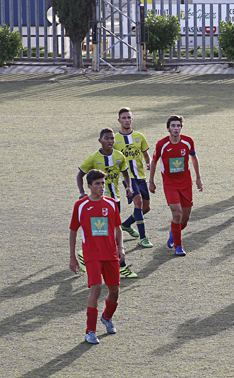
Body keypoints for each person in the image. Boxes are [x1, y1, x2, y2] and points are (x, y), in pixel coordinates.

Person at [69, 169, 125, 345]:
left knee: (114, 291)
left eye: (103, 183)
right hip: (92, 255)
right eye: (98, 184)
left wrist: (121, 248)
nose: (102, 187)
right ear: (89, 186)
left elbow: (117, 228)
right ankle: (90, 332)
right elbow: (73, 231)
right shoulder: (81, 206)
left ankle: (106, 318)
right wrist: (72, 257)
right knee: (97, 288)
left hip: (110, 254)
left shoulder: (111, 203)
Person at [77, 128, 137, 279]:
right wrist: (82, 192)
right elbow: (80, 174)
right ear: (100, 140)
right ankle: (122, 267)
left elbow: (126, 174)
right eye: (107, 138)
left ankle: (84, 254)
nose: (110, 141)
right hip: (98, 202)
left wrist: (128, 187)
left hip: (114, 201)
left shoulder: (119, 156)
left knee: (111, 232)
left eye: (112, 138)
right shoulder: (93, 158)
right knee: (106, 233)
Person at [149, 115, 203, 257]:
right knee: (177, 214)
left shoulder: (188, 141)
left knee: (185, 218)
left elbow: (194, 157)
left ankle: (174, 232)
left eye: (178, 126)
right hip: (170, 184)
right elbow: (154, 161)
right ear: (168, 128)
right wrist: (151, 181)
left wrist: (198, 178)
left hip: (186, 184)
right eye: (173, 126)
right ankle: (178, 246)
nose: (176, 128)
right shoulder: (162, 144)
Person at [114, 107, 153, 248]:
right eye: (124, 118)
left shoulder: (139, 136)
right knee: (138, 202)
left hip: (140, 176)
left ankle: (126, 224)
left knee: (146, 208)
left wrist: (148, 163)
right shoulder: (115, 139)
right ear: (119, 120)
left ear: (132, 119)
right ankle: (143, 238)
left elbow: (146, 155)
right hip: (128, 178)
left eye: (129, 117)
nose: (127, 120)